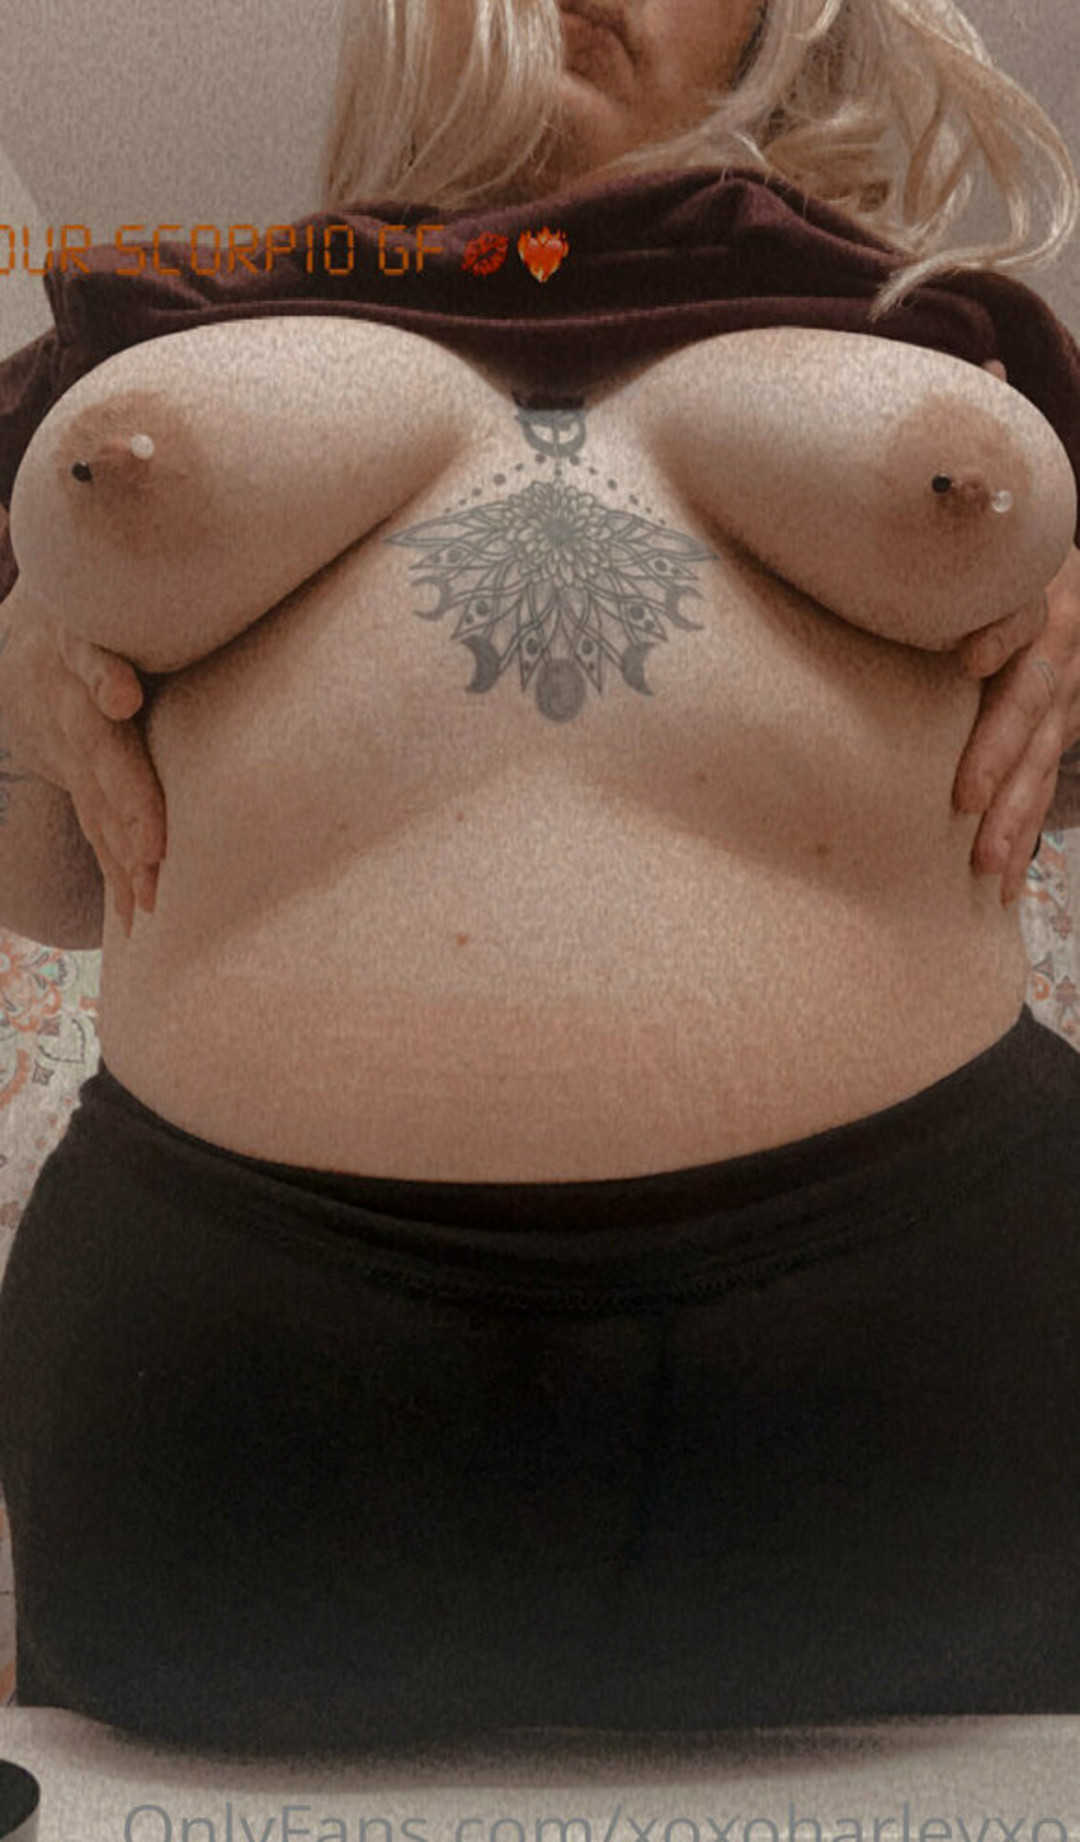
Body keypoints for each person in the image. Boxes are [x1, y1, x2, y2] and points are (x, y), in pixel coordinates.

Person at [0, 0, 1079, 1753]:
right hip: (236, 1378)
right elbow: (43, 881)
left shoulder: (934, 327)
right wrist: (13, 677)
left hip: (937, 1346)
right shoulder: (164, 322)